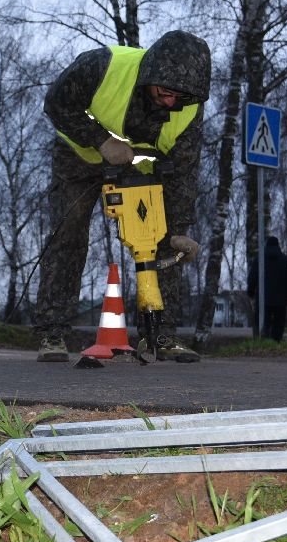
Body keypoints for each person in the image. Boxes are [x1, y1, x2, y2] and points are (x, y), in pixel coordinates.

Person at [33, 31, 211, 363]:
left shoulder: (188, 108)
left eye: (180, 97)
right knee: (68, 231)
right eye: (165, 92)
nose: (171, 102)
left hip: (139, 165)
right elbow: (57, 103)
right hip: (79, 158)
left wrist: (181, 227)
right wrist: (99, 139)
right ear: (149, 76)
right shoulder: (103, 66)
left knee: (164, 237)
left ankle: (160, 335)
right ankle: (52, 332)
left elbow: (183, 170)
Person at [247, 235, 287, 342]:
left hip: (263, 297)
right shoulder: (286, 260)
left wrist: (250, 292)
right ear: (278, 246)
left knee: (263, 322)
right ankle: (276, 343)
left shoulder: (259, 259)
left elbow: (253, 277)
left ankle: (262, 342)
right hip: (281, 298)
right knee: (279, 323)